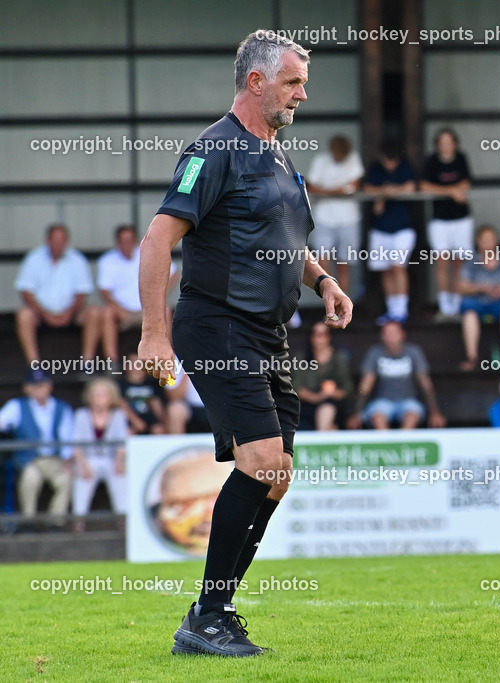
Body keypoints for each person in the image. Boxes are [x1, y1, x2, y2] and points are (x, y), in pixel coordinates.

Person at [136, 30, 353, 657]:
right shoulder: (214, 150)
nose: (301, 95)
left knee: (277, 474)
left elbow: (289, 238)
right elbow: (157, 240)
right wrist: (156, 331)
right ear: (255, 82)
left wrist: (323, 280)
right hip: (219, 326)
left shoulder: (280, 157)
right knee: (261, 460)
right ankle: (209, 617)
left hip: (270, 332)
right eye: (292, 83)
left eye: (302, 84)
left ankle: (213, 609)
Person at [15, 223, 101, 363]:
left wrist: (69, 312)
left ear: (66, 242)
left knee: (95, 312)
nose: (58, 245)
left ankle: (87, 362)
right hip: (40, 314)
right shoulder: (33, 259)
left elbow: (82, 293)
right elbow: (26, 292)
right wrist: (45, 313)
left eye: (61, 241)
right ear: (47, 241)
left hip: (72, 314)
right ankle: (34, 366)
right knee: (23, 315)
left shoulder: (78, 260)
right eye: (55, 241)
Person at [98, 224, 178, 361]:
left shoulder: (147, 254)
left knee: (166, 310)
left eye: (129, 240)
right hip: (122, 312)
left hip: (149, 309)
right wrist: (119, 309)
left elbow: (174, 273)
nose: (126, 244)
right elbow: (104, 291)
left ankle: (168, 357)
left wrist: (158, 297)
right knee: (107, 313)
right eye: (123, 241)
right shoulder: (107, 260)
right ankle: (112, 361)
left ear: (135, 240)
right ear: (117, 242)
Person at [0, 369, 73, 519]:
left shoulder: (62, 408)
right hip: (29, 460)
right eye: (35, 385)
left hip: (54, 460)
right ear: (27, 388)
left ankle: (55, 521)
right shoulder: (17, 406)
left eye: (42, 385)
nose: (39, 389)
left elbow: (68, 438)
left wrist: (67, 460)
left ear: (50, 386)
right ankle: (28, 521)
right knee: (29, 480)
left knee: (66, 480)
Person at [347, 321, 445, 430]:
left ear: (402, 334)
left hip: (408, 401)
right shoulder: (375, 353)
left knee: (412, 415)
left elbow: (425, 383)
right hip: (382, 401)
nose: (391, 336)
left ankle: (403, 443)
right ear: (382, 337)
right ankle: (386, 444)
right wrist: (357, 413)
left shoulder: (413, 352)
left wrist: (434, 412)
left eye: (394, 333)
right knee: (377, 416)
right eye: (387, 333)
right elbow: (365, 386)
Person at [421, 128, 473, 321]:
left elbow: (466, 184)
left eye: (449, 141)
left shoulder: (461, 159)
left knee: (459, 263)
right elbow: (425, 186)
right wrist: (451, 192)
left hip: (461, 219)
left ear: (454, 143)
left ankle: (458, 305)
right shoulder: (432, 161)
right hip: (440, 220)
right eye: (442, 142)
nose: (446, 146)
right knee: (442, 263)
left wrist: (444, 190)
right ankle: (445, 307)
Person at [363, 139, 417, 324]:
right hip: (380, 228)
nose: (390, 164)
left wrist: (384, 194)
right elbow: (367, 188)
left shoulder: (405, 167)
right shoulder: (375, 168)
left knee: (398, 267)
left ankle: (401, 310)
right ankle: (392, 310)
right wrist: (383, 193)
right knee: (385, 269)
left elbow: (411, 188)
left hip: (402, 228)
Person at [306, 135, 364, 296]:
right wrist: (336, 191)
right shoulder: (321, 160)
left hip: (349, 219)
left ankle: (341, 302)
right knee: (323, 263)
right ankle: (328, 302)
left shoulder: (354, 158)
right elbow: (312, 187)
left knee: (344, 264)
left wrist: (327, 191)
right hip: (325, 218)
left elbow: (354, 185)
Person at [458, 225, 500, 370]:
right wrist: (483, 287)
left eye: (490, 239)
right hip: (477, 302)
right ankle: (472, 356)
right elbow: (462, 286)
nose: (488, 243)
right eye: (484, 240)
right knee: (469, 314)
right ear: (478, 242)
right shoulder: (471, 261)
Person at [70, 378, 129, 530]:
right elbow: (76, 445)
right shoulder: (81, 415)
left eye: (103, 395)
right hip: (88, 459)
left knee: (120, 476)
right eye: (96, 395)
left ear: (111, 397)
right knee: (82, 479)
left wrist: (119, 462)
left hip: (111, 459)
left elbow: (122, 443)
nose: (99, 398)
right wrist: (83, 466)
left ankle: (124, 521)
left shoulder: (118, 415)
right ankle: (78, 522)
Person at [293, 321, 353, 431]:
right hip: (307, 405)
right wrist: (317, 397)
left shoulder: (338, 358)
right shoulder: (302, 358)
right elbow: (297, 387)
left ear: (329, 337)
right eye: (317, 335)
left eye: (324, 334)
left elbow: (347, 388)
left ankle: (322, 438)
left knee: (327, 409)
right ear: (311, 337)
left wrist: (333, 393)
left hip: (333, 405)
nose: (320, 339)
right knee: (331, 428)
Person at [120, 352, 167, 435]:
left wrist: (163, 421)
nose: (136, 367)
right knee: (128, 432)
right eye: (133, 364)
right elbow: (121, 404)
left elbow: (157, 405)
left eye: (140, 364)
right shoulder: (121, 385)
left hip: (149, 417)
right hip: (129, 420)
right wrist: (136, 421)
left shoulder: (152, 384)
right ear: (126, 366)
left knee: (159, 429)